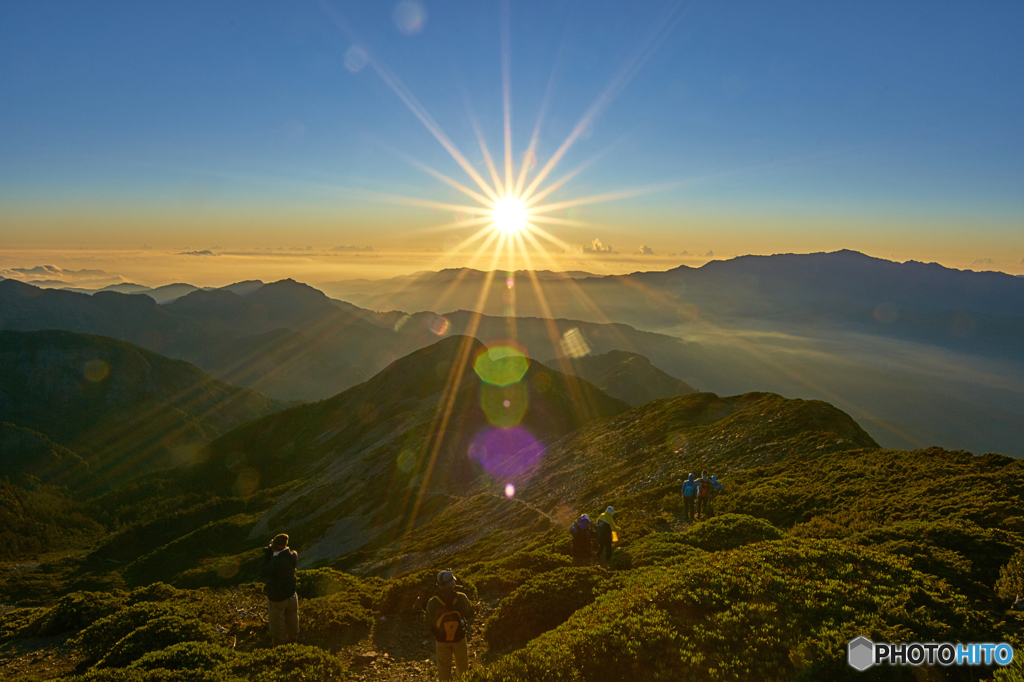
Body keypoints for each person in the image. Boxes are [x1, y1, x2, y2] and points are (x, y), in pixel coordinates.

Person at [426, 570, 474, 680]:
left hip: (442, 639)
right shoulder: (461, 597)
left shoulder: (432, 602)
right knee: (462, 665)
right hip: (459, 637)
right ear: (452, 583)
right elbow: (469, 612)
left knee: (443, 667)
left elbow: (428, 623)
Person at [258, 533, 299, 646]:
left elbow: (263, 572)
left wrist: (267, 555)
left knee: (277, 622)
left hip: (277, 598)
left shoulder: (276, 562)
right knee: (292, 618)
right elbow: (290, 553)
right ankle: (293, 639)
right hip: (291, 594)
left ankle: (279, 645)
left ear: (275, 546)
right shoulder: (293, 556)